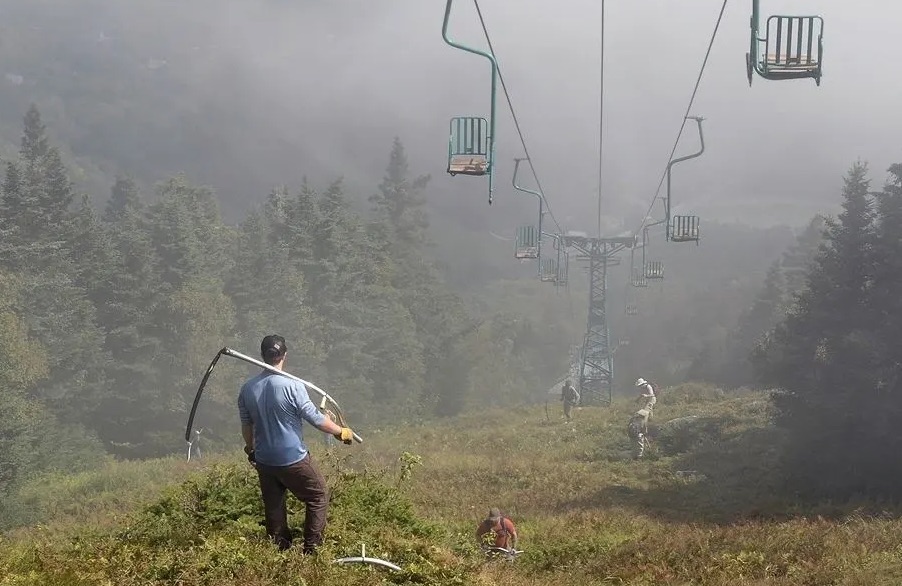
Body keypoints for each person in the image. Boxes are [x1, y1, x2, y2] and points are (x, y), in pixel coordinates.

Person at [238, 334, 355, 554]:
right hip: (292, 458)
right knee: (318, 495)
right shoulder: (293, 386)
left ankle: (280, 551)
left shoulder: (247, 389)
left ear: (262, 355)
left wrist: (251, 449)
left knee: (274, 506)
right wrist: (341, 432)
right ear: (284, 355)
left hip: (264, 459)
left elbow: (247, 427)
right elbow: (317, 419)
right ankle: (311, 550)